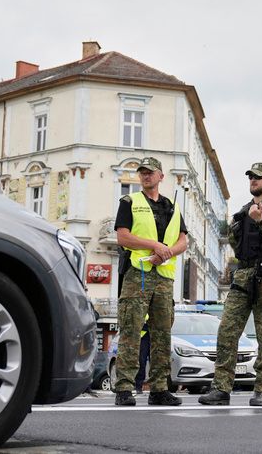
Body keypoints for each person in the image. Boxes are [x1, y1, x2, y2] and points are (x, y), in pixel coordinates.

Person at [199, 162, 262, 407]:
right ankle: (221, 388)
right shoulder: (243, 211)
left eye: (258, 177)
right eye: (251, 177)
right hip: (243, 275)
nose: (253, 180)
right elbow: (235, 241)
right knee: (227, 331)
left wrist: (261, 221)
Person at [112, 157, 188, 406]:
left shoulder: (172, 207)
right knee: (131, 331)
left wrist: (166, 252)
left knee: (162, 334)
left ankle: (159, 389)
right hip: (138, 274)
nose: (146, 175)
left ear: (161, 176)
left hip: (164, 278)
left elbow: (183, 241)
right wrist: (155, 245)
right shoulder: (129, 202)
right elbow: (123, 237)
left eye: (150, 172)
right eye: (142, 172)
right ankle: (124, 388)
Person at [133, 316, 150, 394]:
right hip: (143, 338)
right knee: (141, 362)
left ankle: (157, 387)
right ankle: (138, 386)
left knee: (156, 363)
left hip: (155, 336)